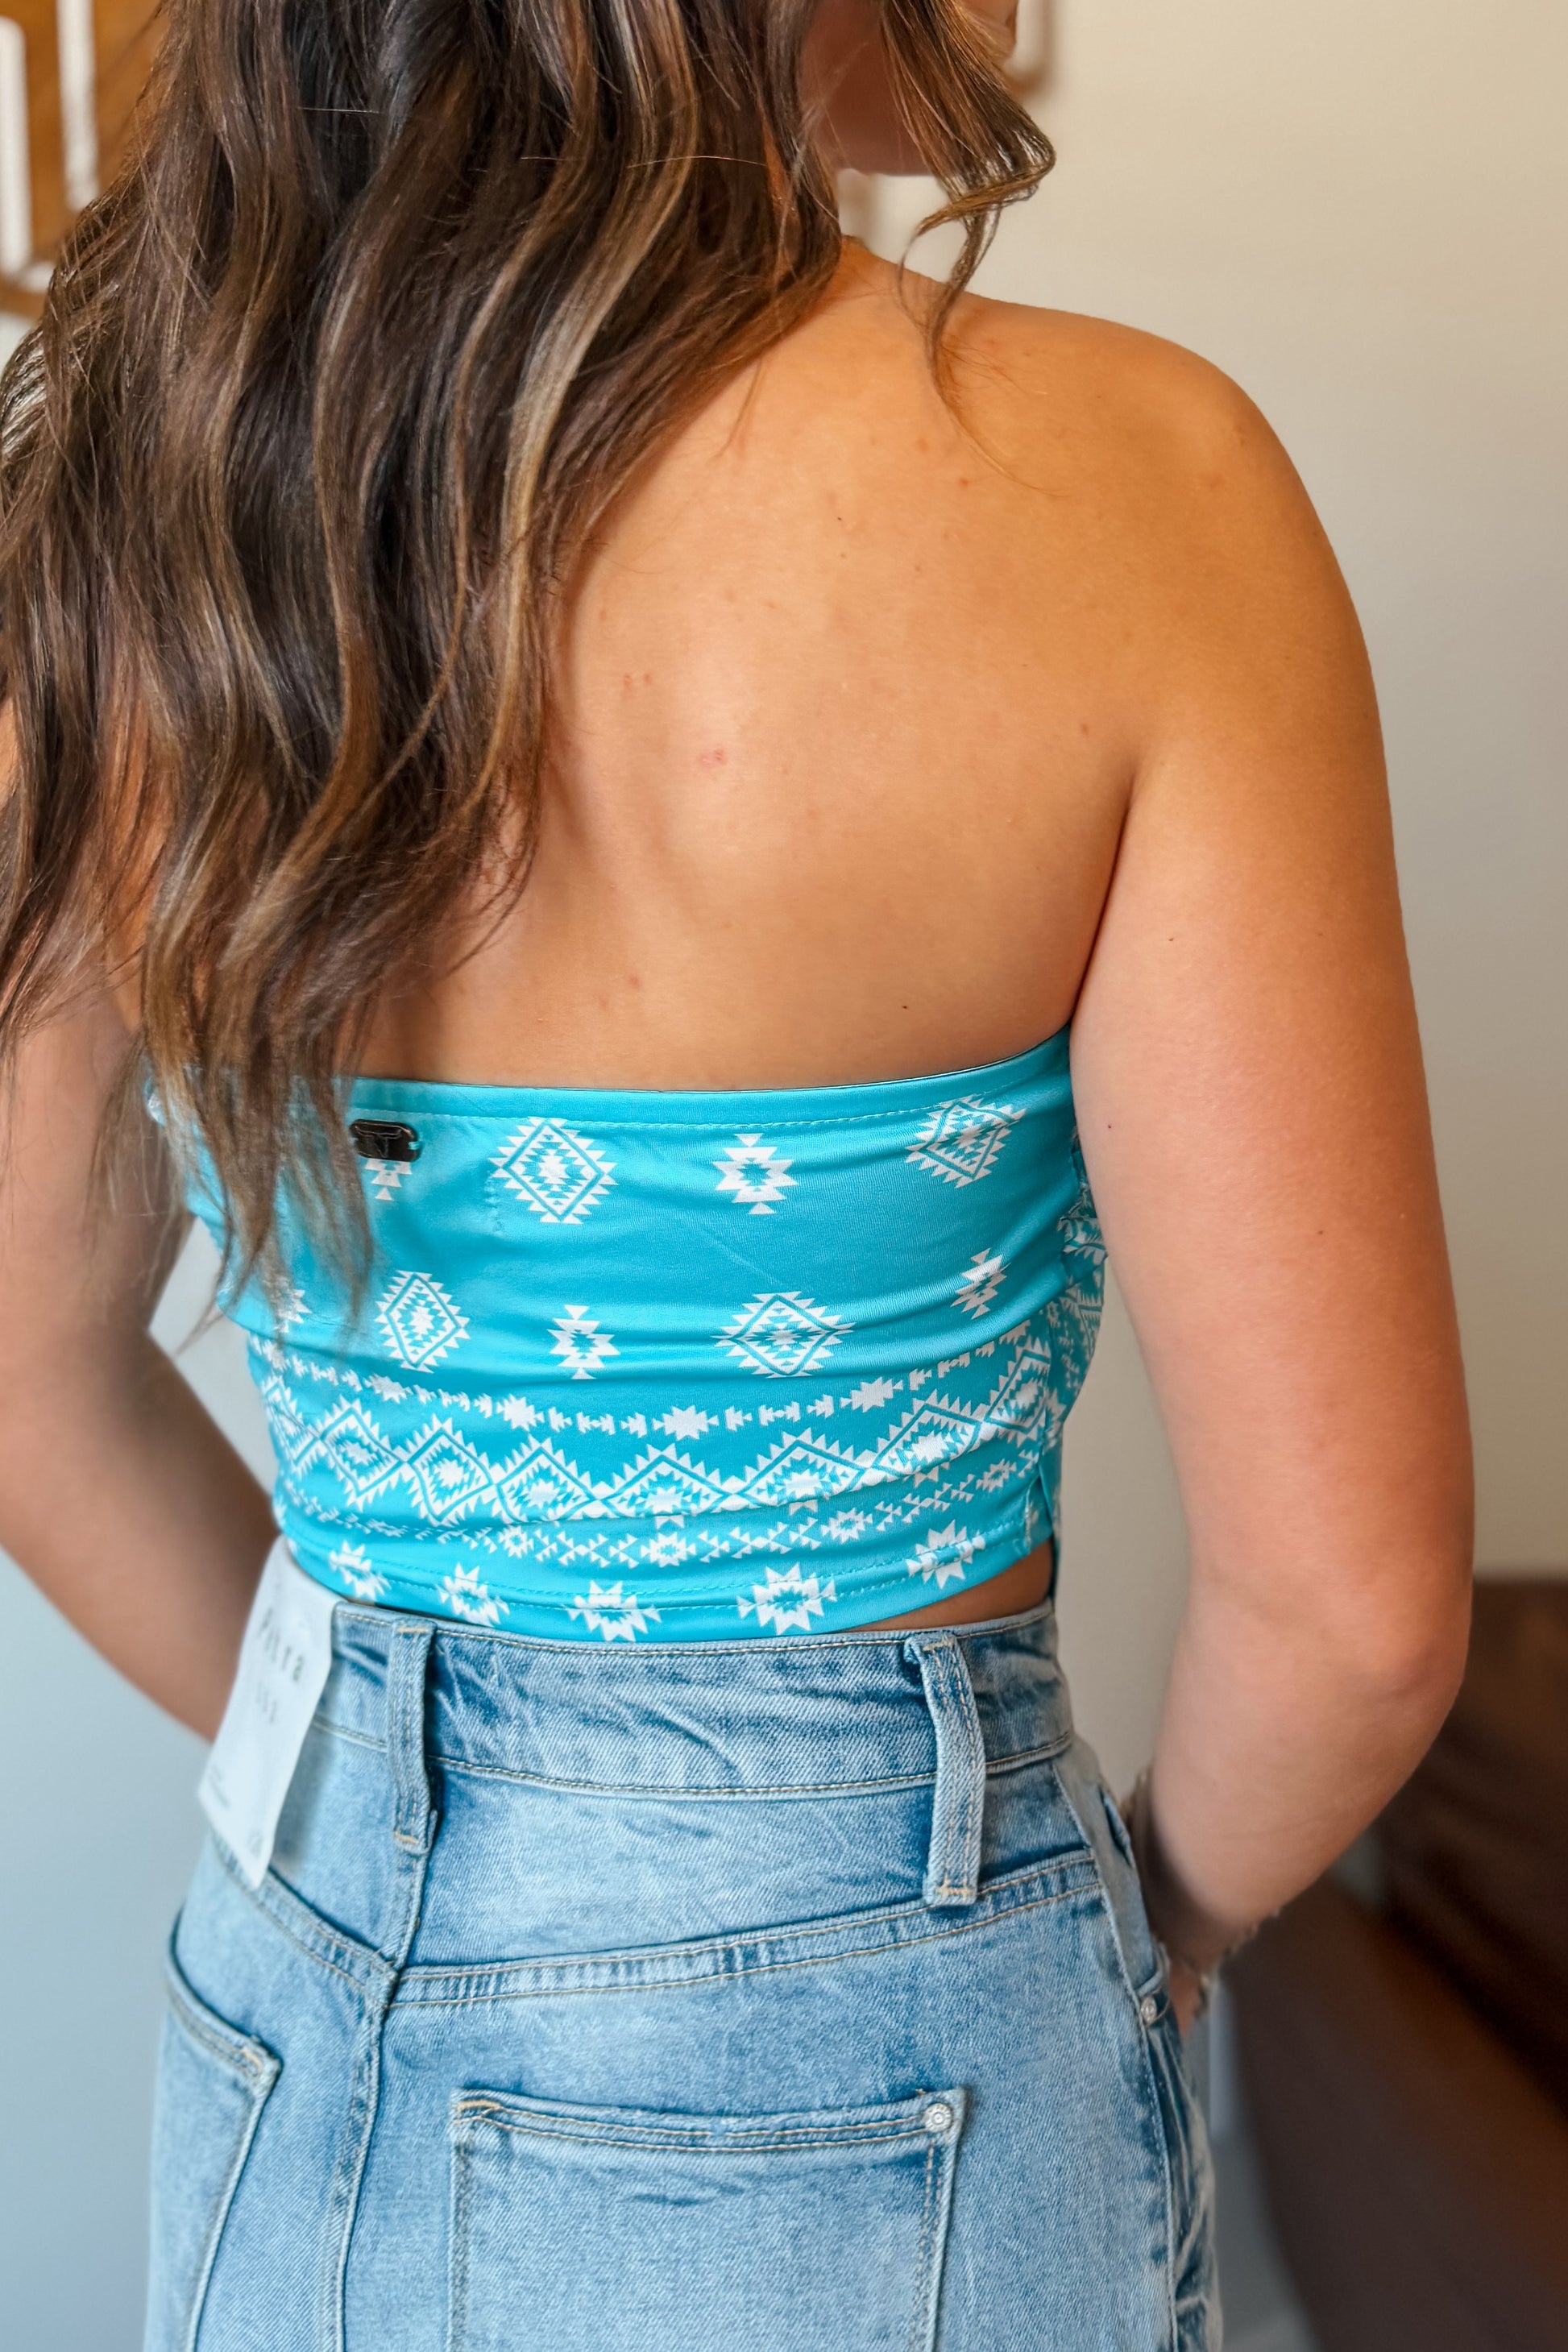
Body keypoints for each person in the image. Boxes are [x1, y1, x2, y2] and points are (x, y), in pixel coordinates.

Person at [0, 0, 1472, 2337]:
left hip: (294, 1989)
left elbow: (26, 1384)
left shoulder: (139, 498)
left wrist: (407, 1780)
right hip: (906, 2017)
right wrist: (1143, 1933)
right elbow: (1355, 1620)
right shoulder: (1139, 491)